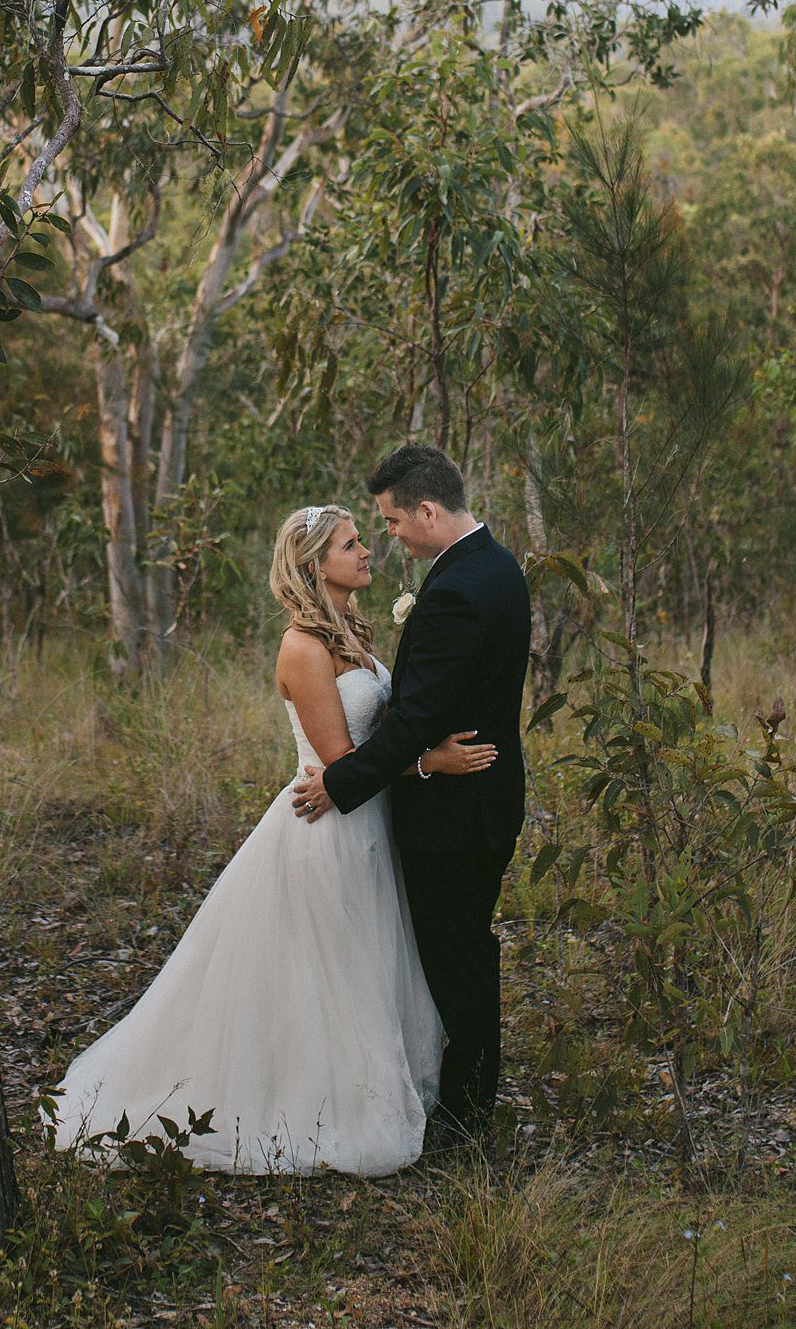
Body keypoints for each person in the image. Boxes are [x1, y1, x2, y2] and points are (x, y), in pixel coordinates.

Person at [44, 501, 498, 1175]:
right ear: (317, 565)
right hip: (328, 826)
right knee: (328, 974)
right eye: (350, 543)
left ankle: (383, 1087)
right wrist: (432, 761)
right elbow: (341, 761)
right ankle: (319, 1107)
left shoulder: (352, 631)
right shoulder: (302, 647)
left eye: (362, 538)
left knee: (369, 966)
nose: (366, 550)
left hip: (371, 819)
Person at [291, 444, 530, 1150]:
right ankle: (459, 1099)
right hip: (482, 801)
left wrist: (340, 784)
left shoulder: (455, 589)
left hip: (455, 817)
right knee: (461, 954)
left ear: (426, 510)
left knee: (457, 963)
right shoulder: (496, 566)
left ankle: (465, 1114)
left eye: (392, 521)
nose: (387, 536)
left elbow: (414, 718)